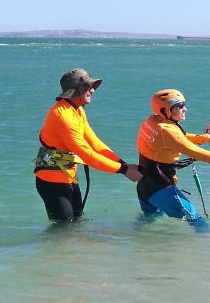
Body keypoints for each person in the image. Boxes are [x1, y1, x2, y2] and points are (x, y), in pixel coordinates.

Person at [34, 69, 142, 222]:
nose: (93, 90)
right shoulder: (63, 116)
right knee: (63, 231)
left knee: (77, 222)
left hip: (68, 176)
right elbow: (86, 155)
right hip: (51, 181)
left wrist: (122, 163)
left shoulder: (76, 110)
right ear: (76, 90)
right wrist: (124, 170)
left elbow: (95, 144)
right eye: (88, 86)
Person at [136, 89, 210, 228]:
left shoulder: (153, 121)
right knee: (200, 225)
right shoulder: (166, 130)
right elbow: (197, 153)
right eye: (179, 106)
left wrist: (205, 138)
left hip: (143, 187)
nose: (185, 109)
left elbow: (177, 138)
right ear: (165, 110)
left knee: (147, 226)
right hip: (161, 189)